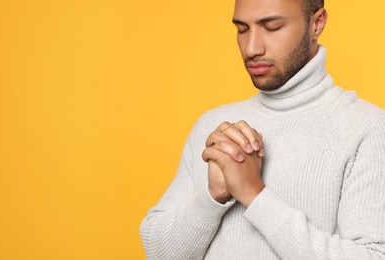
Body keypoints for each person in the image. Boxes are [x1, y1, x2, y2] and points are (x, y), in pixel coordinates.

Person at [140, 0, 385, 259]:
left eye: (272, 27)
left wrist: (253, 194)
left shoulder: (365, 129)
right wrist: (214, 196)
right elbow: (159, 254)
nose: (252, 48)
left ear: (317, 23)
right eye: (242, 29)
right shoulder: (215, 126)